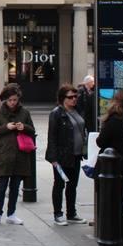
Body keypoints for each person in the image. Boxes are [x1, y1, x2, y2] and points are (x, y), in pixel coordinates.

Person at [0, 84, 35, 225]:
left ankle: (11, 214)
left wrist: (24, 127)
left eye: (15, 100)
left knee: (15, 186)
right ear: (5, 100)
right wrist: (6, 127)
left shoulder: (25, 112)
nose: (13, 102)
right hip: (4, 154)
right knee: (2, 186)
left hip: (20, 155)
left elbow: (32, 130)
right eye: (10, 100)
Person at [95, 89, 123, 244]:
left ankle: (111, 234)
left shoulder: (114, 120)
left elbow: (101, 141)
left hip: (111, 166)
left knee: (110, 201)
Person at [45, 84, 87, 226]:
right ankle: (58, 214)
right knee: (59, 184)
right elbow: (52, 137)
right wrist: (53, 158)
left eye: (76, 97)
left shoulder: (77, 111)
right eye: (70, 97)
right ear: (63, 99)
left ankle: (71, 213)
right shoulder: (57, 113)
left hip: (76, 154)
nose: (74, 99)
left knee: (72, 185)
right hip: (62, 156)